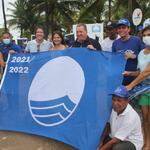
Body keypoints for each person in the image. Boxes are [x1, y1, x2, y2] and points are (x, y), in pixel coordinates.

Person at [125, 26, 150, 150]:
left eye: (149, 34)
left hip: (143, 87)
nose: (146, 37)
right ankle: (147, 142)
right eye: (144, 35)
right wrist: (129, 73)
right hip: (144, 89)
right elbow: (140, 72)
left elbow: (147, 72)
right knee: (145, 118)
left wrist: (130, 85)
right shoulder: (141, 53)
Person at [97, 85, 143, 150]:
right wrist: (101, 141)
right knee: (98, 141)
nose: (115, 103)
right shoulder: (113, 109)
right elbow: (108, 125)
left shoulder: (131, 117)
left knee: (117, 148)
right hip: (115, 137)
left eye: (119, 100)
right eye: (113, 99)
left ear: (127, 101)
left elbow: (116, 140)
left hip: (130, 142)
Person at [112, 18, 144, 85]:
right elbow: (113, 60)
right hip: (121, 79)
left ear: (129, 29)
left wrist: (134, 56)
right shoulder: (115, 43)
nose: (121, 30)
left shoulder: (136, 40)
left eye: (124, 27)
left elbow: (146, 55)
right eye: (119, 28)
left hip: (136, 79)